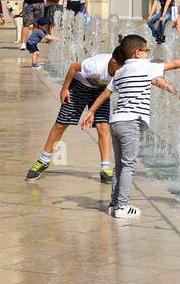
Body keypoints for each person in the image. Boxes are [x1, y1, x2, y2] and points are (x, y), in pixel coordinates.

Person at [81, 34, 180, 220]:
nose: (148, 54)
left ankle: (114, 204)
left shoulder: (120, 72)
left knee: (120, 166)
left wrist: (91, 112)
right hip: (131, 122)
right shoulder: (146, 67)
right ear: (138, 52)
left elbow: (105, 93)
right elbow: (175, 64)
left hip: (116, 122)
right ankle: (122, 206)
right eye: (147, 51)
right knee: (129, 165)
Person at [26, 48, 118, 183]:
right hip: (80, 86)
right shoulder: (96, 66)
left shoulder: (127, 66)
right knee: (61, 124)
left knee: (103, 126)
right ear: (114, 62)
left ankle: (105, 168)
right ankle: (44, 160)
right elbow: (74, 67)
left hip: (101, 91)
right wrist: (65, 89)